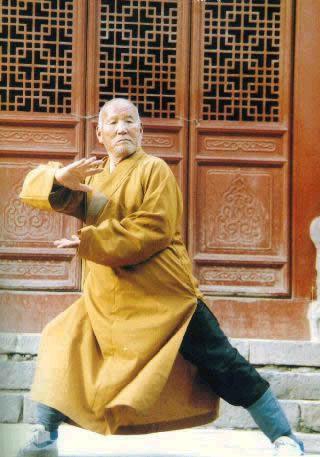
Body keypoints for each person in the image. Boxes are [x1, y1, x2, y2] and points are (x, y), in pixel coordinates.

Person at [17, 98, 304, 456]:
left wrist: (91, 239)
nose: (122, 129)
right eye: (113, 123)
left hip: (164, 295)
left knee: (221, 361)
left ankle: (283, 436)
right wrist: (59, 178)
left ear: (141, 129)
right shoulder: (97, 175)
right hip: (111, 296)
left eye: (129, 122)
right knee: (62, 338)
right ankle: (45, 436)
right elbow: (40, 193)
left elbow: (152, 229)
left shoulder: (154, 170)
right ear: (100, 133)